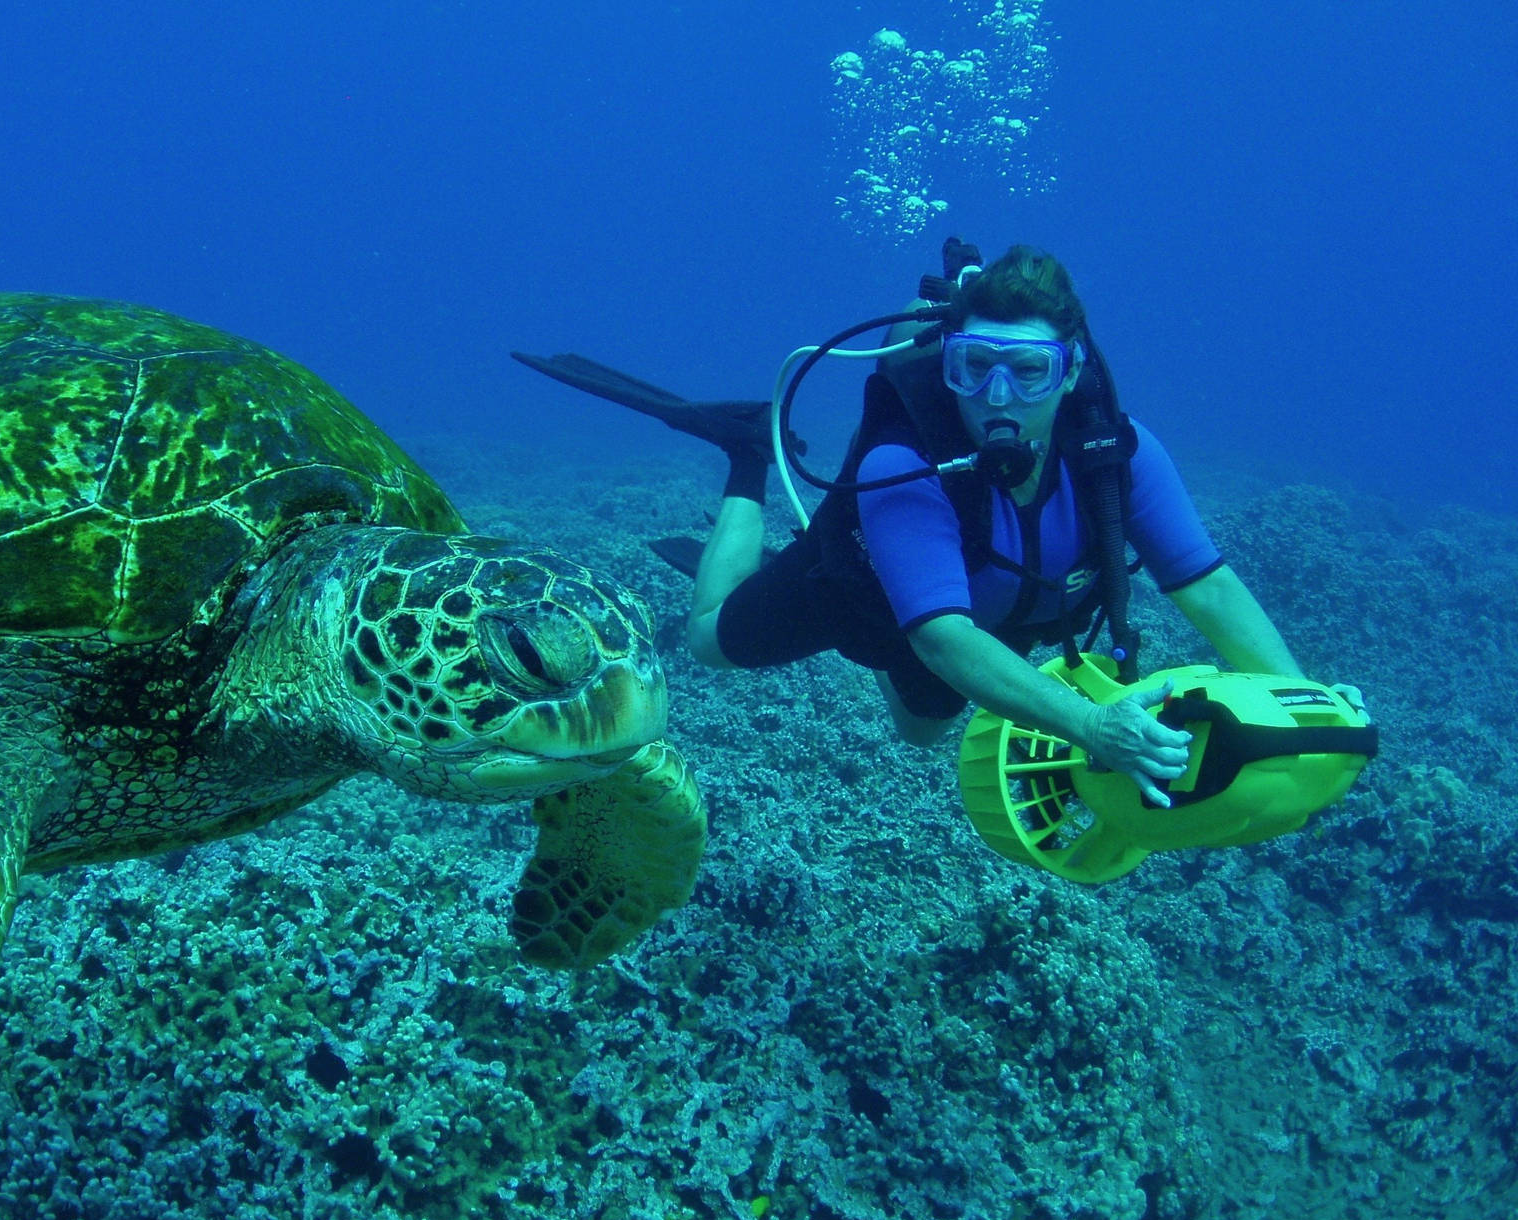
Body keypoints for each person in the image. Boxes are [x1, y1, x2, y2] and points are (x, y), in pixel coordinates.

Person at [518, 243, 1367, 806]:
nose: (998, 399)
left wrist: (1304, 709)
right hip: (867, 601)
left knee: (923, 736)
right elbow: (943, 641)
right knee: (705, 642)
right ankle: (745, 453)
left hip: (967, 621)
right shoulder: (904, 464)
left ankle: (900, 640)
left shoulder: (1121, 456)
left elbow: (1208, 586)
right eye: (975, 367)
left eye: (1029, 371)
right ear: (948, 363)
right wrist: (1095, 727)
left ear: (1070, 375)